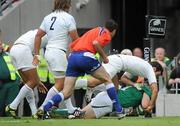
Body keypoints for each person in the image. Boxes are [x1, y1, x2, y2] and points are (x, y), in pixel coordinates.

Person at [42, 19, 125, 119]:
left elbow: (71, 46)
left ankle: (46, 106)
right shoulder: (106, 33)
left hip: (73, 58)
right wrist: (104, 57)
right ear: (114, 31)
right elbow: (95, 43)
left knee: (66, 92)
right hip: (86, 56)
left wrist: (73, 63)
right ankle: (119, 110)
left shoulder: (92, 31)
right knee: (107, 78)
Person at [33, 0, 79, 117]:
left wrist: (36, 54)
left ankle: (70, 109)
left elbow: (38, 36)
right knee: (61, 84)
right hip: (58, 52)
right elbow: (76, 39)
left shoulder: (47, 17)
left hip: (48, 52)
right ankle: (43, 108)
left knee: (63, 83)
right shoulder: (68, 17)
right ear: (67, 4)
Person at [75, 54, 163, 114]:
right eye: (157, 75)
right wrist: (151, 105)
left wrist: (134, 84)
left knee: (115, 88)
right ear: (154, 69)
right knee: (94, 82)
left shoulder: (140, 68)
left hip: (115, 61)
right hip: (115, 63)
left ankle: (93, 88)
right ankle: (69, 85)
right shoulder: (149, 69)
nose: (155, 77)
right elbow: (155, 90)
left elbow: (123, 78)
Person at [5, 29, 48, 119]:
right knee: (32, 82)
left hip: (14, 50)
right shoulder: (50, 36)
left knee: (28, 83)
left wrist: (38, 81)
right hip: (23, 49)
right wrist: (36, 81)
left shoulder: (35, 32)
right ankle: (12, 106)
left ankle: (34, 112)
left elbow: (32, 63)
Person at [0, 36, 20, 117]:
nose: (0, 45)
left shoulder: (6, 54)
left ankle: (12, 117)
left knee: (11, 106)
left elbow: (14, 66)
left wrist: (18, 78)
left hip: (12, 83)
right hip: (1, 84)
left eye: (1, 44)